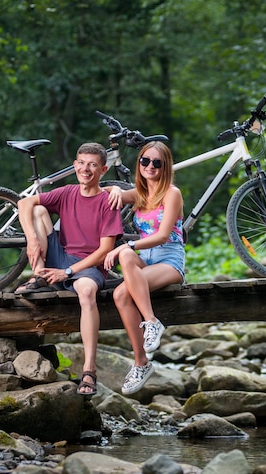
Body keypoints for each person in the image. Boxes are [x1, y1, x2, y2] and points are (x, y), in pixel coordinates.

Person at [14, 142, 123, 396]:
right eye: (82, 163)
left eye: (93, 165)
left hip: (87, 265)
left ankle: (89, 369)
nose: (86, 169)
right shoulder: (67, 192)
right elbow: (24, 204)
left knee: (86, 293)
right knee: (38, 209)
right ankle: (39, 276)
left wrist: (69, 272)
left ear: (103, 170)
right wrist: (31, 239)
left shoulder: (108, 201)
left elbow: (104, 252)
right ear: (75, 165)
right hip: (58, 256)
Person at [104, 141, 185, 395]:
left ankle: (151, 324)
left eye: (156, 163)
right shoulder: (139, 194)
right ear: (138, 164)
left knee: (120, 290)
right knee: (126, 260)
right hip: (143, 262)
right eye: (144, 161)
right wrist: (115, 189)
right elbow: (108, 194)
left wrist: (123, 246)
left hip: (168, 260)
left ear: (165, 167)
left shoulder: (172, 193)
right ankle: (142, 362)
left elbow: (162, 236)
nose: (150, 166)